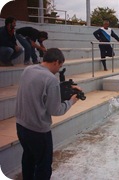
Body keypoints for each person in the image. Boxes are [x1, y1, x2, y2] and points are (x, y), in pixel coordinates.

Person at [15, 48, 82, 180]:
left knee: (28, 158)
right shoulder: (51, 80)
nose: (58, 70)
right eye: (60, 66)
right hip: (38, 130)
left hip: (21, 125)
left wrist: (63, 87)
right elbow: (55, 110)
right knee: (43, 165)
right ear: (56, 62)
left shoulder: (28, 70)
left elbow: (38, 91)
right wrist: (72, 101)